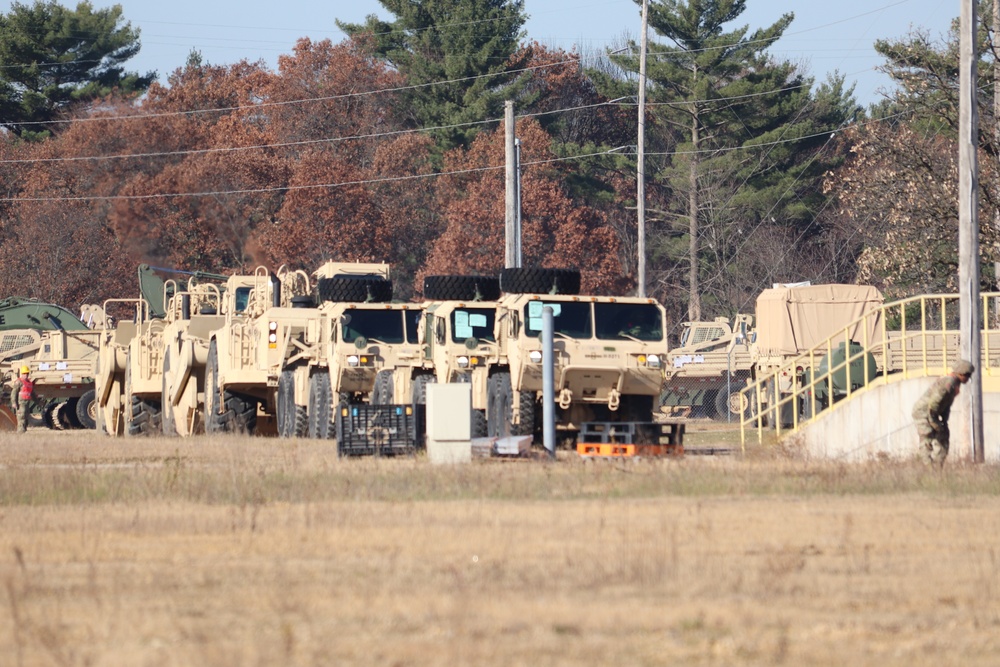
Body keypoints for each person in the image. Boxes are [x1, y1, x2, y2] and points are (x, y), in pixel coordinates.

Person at [911, 359, 974, 466]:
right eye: (967, 375)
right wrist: (933, 420)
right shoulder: (949, 382)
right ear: (960, 373)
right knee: (927, 437)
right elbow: (934, 402)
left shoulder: (955, 383)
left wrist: (944, 421)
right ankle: (928, 468)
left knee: (943, 436)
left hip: (933, 412)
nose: (968, 378)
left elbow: (946, 405)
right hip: (924, 412)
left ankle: (937, 466)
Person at [10, 365, 35, 434]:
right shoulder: (19, 382)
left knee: (26, 417)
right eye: (24, 373)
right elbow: (14, 393)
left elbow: (32, 393)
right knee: (21, 417)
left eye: (27, 373)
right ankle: (20, 432)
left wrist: (38, 402)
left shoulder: (29, 383)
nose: (26, 375)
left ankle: (24, 431)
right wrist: (14, 402)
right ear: (22, 374)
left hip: (27, 403)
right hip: (20, 403)